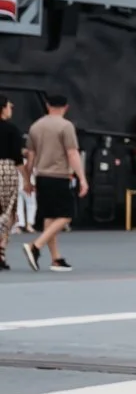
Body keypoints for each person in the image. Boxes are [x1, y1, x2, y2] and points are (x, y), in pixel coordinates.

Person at [23, 94, 84, 271]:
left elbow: (30, 158)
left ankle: (55, 258)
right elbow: (72, 153)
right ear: (66, 107)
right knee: (66, 214)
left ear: (47, 105)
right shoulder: (66, 126)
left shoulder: (35, 126)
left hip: (41, 176)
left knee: (50, 217)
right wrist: (82, 178)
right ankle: (35, 246)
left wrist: (27, 181)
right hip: (59, 176)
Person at [0, 98, 20, 272]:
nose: (11, 108)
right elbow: (18, 158)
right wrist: (27, 178)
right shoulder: (11, 130)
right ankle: (1, 252)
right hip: (5, 169)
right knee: (7, 212)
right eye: (9, 105)